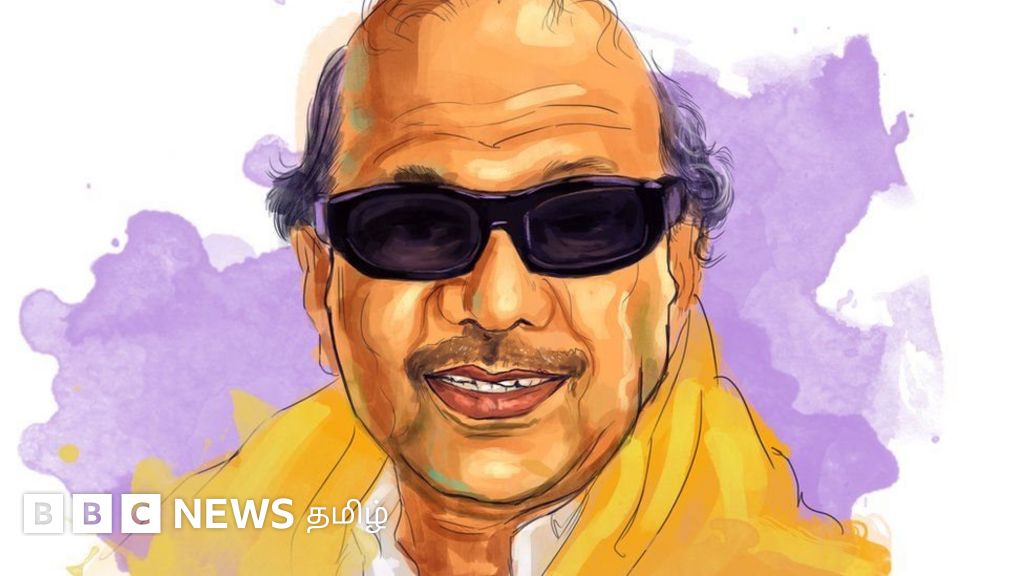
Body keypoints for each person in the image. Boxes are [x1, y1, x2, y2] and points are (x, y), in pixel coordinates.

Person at [125, 1, 890, 574]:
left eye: (582, 222)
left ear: (682, 267)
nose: (497, 304)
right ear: (320, 282)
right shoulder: (199, 546)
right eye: (414, 227)